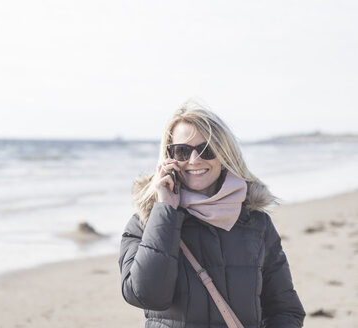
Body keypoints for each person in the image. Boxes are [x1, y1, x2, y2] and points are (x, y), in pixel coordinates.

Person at [118, 100, 305, 328]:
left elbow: (284, 309)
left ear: (223, 153)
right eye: (182, 151)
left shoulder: (255, 222)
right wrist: (165, 211)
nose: (194, 160)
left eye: (207, 150)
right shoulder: (146, 221)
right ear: (168, 158)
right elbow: (146, 295)